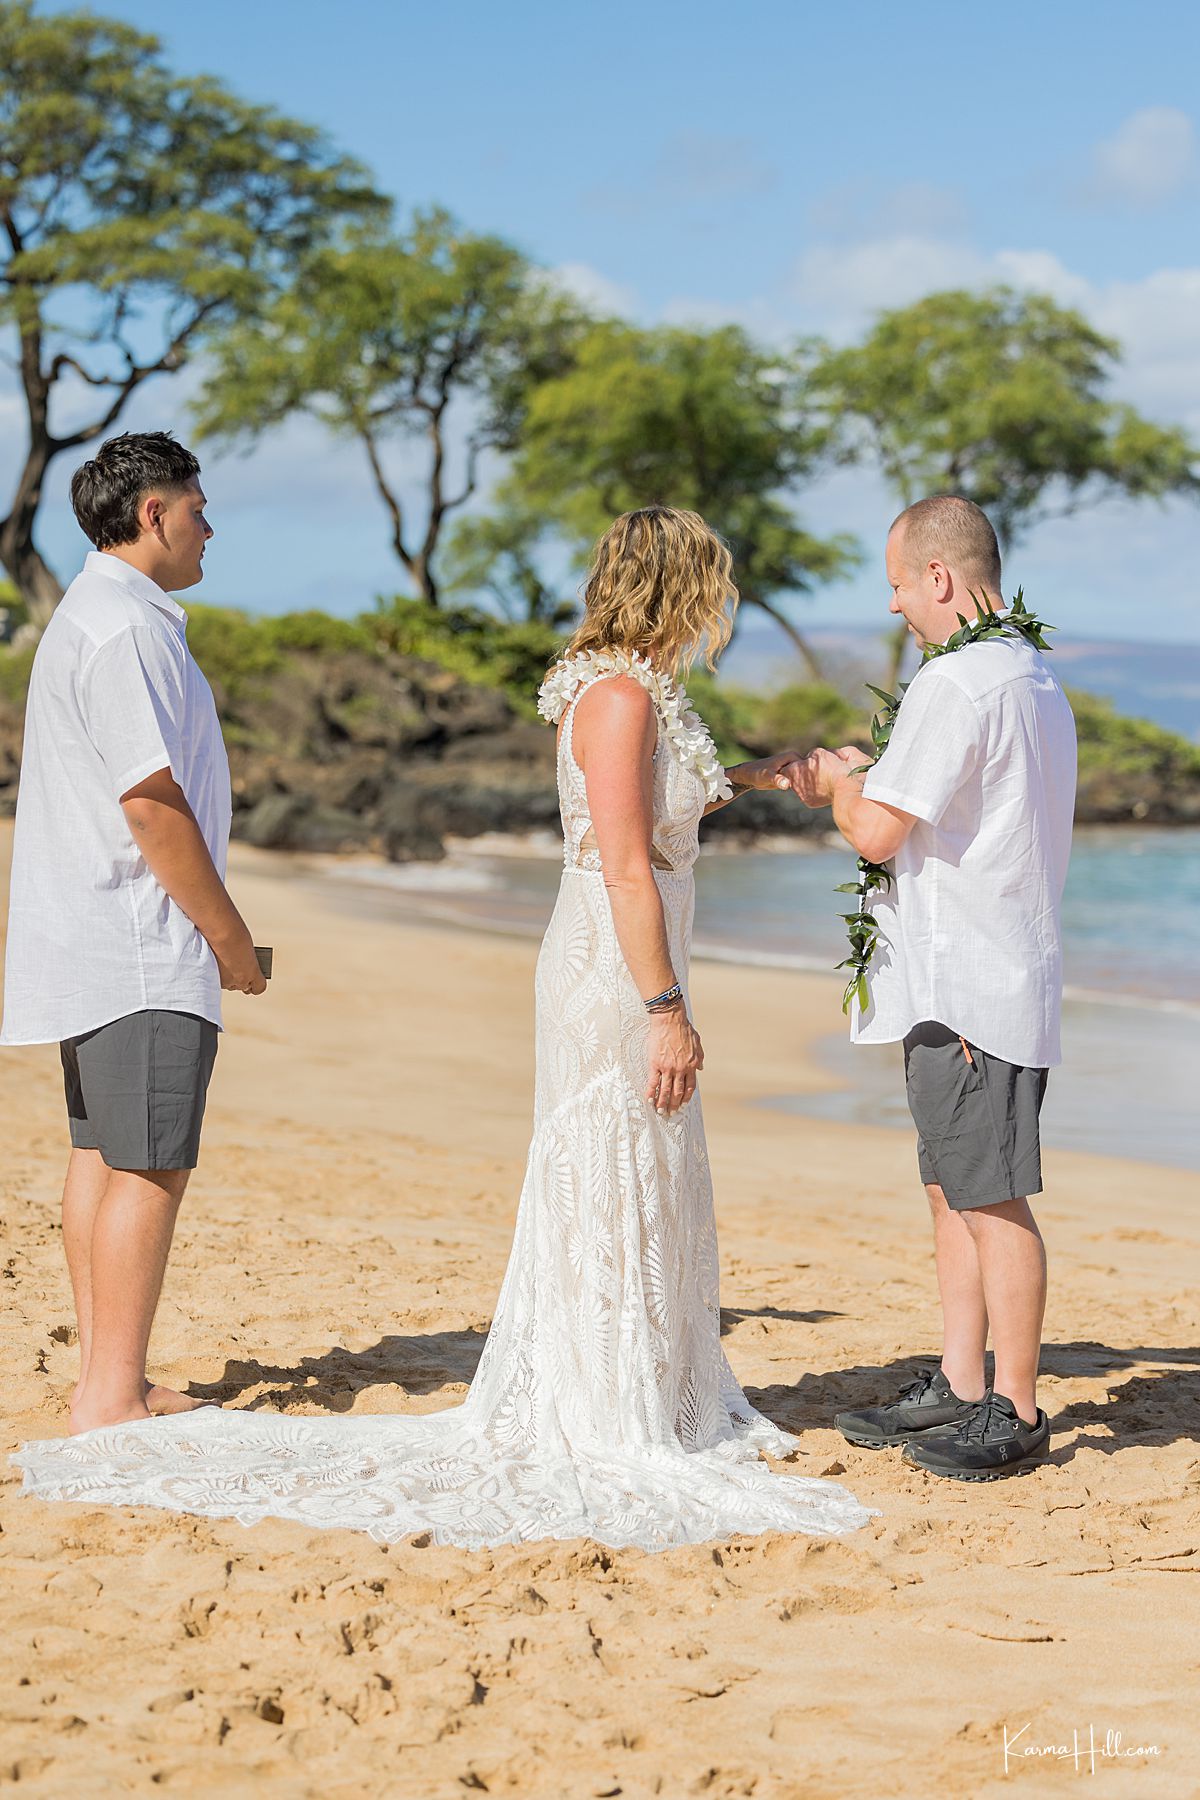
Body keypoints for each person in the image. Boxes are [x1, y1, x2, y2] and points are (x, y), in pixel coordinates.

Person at [15, 505, 872, 1551]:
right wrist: (664, 1010)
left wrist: (747, 775)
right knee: (610, 1158)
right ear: (681, 590)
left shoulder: (630, 692)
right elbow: (621, 863)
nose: (719, 611)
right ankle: (604, 1398)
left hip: (627, 950)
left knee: (640, 1165)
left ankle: (639, 1379)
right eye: (712, 590)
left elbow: (649, 817)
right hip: (613, 968)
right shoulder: (616, 700)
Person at [789, 496, 1076, 1481]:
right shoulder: (1030, 675)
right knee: (954, 1191)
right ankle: (959, 1384)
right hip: (978, 975)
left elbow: (875, 834)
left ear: (942, 579)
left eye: (902, 585)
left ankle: (1017, 1408)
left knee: (991, 1199)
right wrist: (867, 773)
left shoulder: (955, 683)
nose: (898, 605)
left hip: (973, 988)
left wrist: (838, 785)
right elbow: (944, 810)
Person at [1, 432, 266, 1435]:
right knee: (149, 1164)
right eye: (199, 506)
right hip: (139, 941)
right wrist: (228, 936)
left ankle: (110, 1376)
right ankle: (110, 1392)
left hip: (97, 935)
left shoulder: (98, 614)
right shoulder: (128, 628)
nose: (210, 526)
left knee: (104, 1159)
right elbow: (151, 802)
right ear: (153, 513)